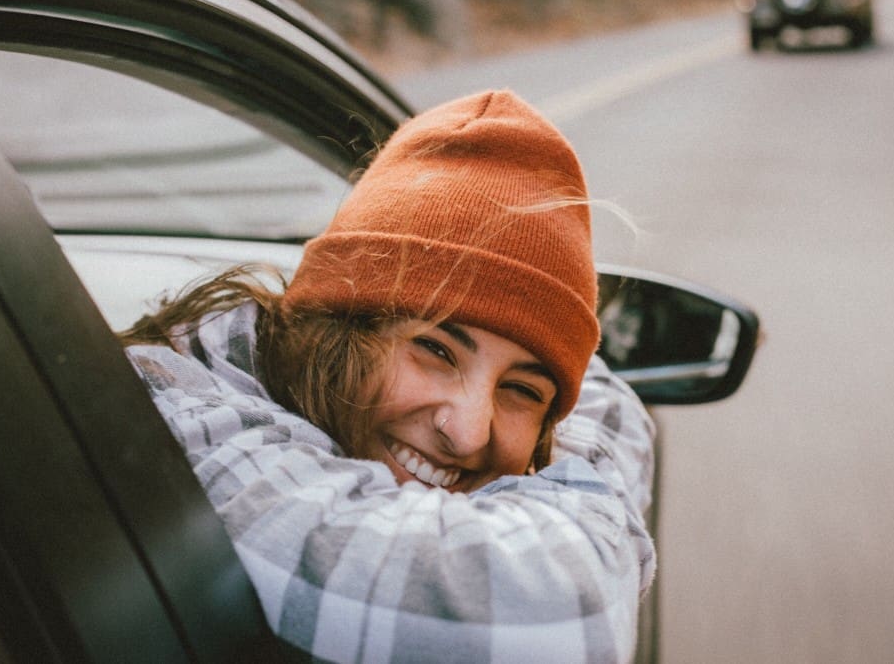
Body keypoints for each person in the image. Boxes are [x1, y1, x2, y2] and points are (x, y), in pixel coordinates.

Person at [122, 90, 656, 662]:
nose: (470, 432)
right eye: (436, 350)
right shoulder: (176, 419)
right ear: (337, 324)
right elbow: (559, 615)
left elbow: (608, 402)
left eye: (522, 390)